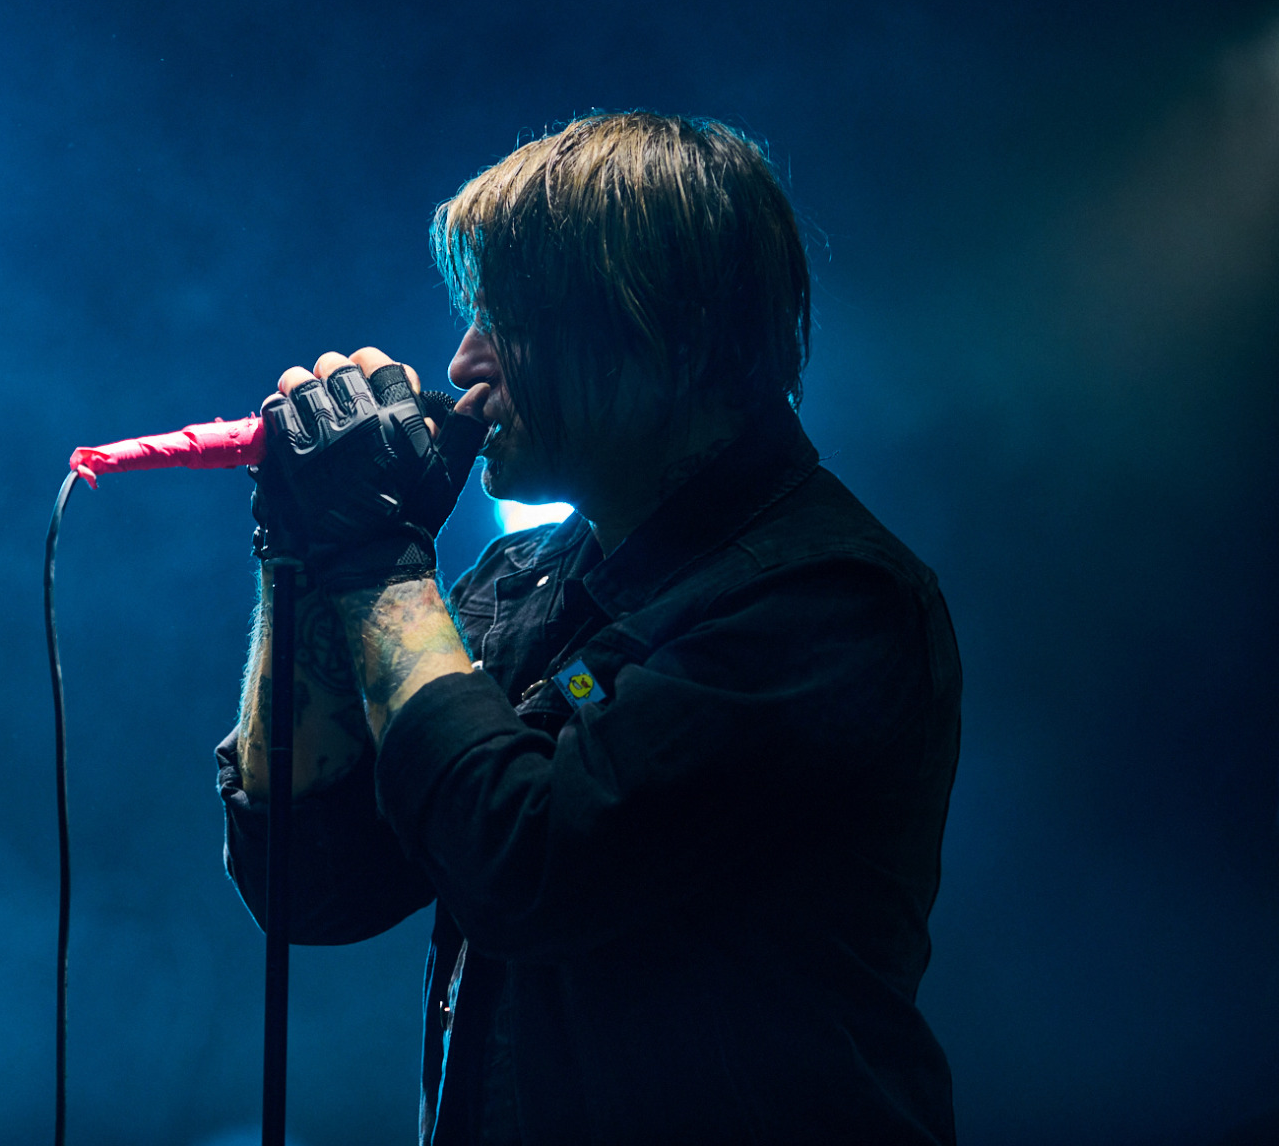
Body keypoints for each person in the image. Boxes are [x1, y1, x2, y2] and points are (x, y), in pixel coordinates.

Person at [216, 111, 960, 1145]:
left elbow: (527, 864)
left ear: (665, 330)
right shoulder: (526, 580)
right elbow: (308, 884)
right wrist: (294, 555)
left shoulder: (825, 603)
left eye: (508, 319)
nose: (465, 360)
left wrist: (378, 564)